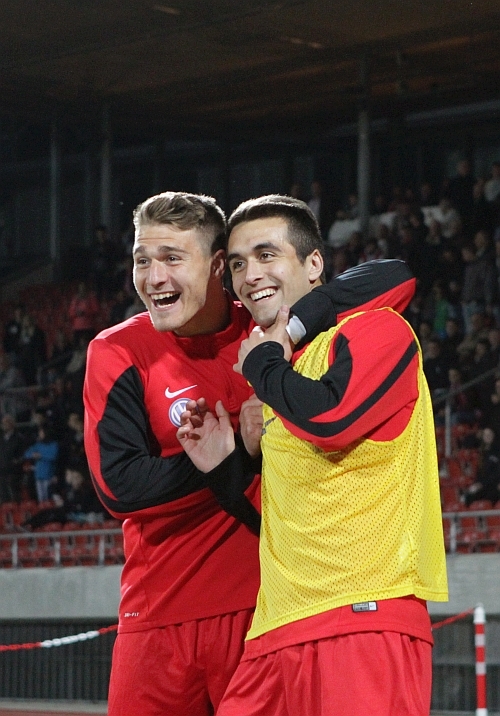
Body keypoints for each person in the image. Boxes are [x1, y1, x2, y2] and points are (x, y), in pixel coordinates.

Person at [178, 195, 448, 716]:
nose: (250, 274)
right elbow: (278, 516)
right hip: (274, 630)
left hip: (362, 617)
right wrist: (223, 463)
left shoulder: (375, 330)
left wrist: (265, 362)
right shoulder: (283, 379)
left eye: (266, 254)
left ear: (314, 263)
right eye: (238, 264)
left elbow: (333, 421)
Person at [83, 191, 263, 716]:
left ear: (217, 265)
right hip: (155, 617)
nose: (154, 277)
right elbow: (120, 487)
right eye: (142, 260)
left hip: (261, 609)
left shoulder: (271, 334)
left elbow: (390, 282)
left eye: (171, 258)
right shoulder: (117, 350)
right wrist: (236, 453)